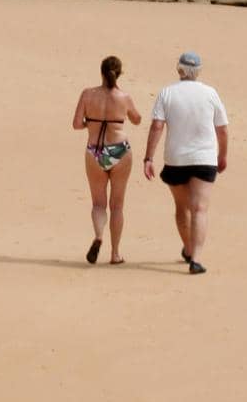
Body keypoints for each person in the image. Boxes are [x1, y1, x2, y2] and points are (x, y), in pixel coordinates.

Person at [143, 51, 229, 275]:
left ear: (179, 69)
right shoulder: (210, 93)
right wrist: (223, 155)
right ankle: (196, 259)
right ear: (198, 71)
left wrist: (149, 157)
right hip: (204, 158)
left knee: (182, 207)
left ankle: (189, 249)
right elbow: (222, 129)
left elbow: (157, 126)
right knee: (200, 209)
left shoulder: (167, 92)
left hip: (176, 158)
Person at [72, 55, 142, 265]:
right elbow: (137, 119)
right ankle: (115, 253)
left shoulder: (87, 94)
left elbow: (76, 124)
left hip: (95, 151)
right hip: (119, 150)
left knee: (98, 203)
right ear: (118, 74)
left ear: (101, 72)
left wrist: (90, 125)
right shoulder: (124, 97)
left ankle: (99, 236)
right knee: (117, 205)